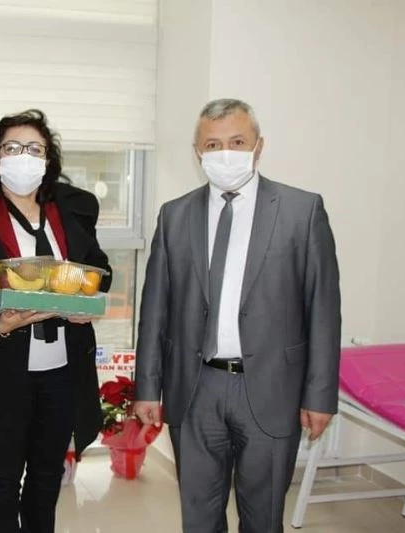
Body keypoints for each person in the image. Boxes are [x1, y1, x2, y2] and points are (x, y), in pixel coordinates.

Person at [134, 98, 341, 533]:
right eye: (213, 144)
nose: (225, 153)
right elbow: (154, 310)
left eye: (237, 142)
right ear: (198, 152)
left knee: (263, 516)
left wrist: (320, 395)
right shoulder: (174, 216)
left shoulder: (302, 211)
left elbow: (323, 309)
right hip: (196, 387)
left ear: (258, 146)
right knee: (199, 515)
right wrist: (148, 387)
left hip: (272, 388)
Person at [0, 109, 111, 533]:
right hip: (0, 371)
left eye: (34, 148)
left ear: (48, 159)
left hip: (62, 370)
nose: (24, 157)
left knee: (47, 477)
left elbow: (99, 272)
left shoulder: (71, 210)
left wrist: (85, 302)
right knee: (1, 480)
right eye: (12, 148)